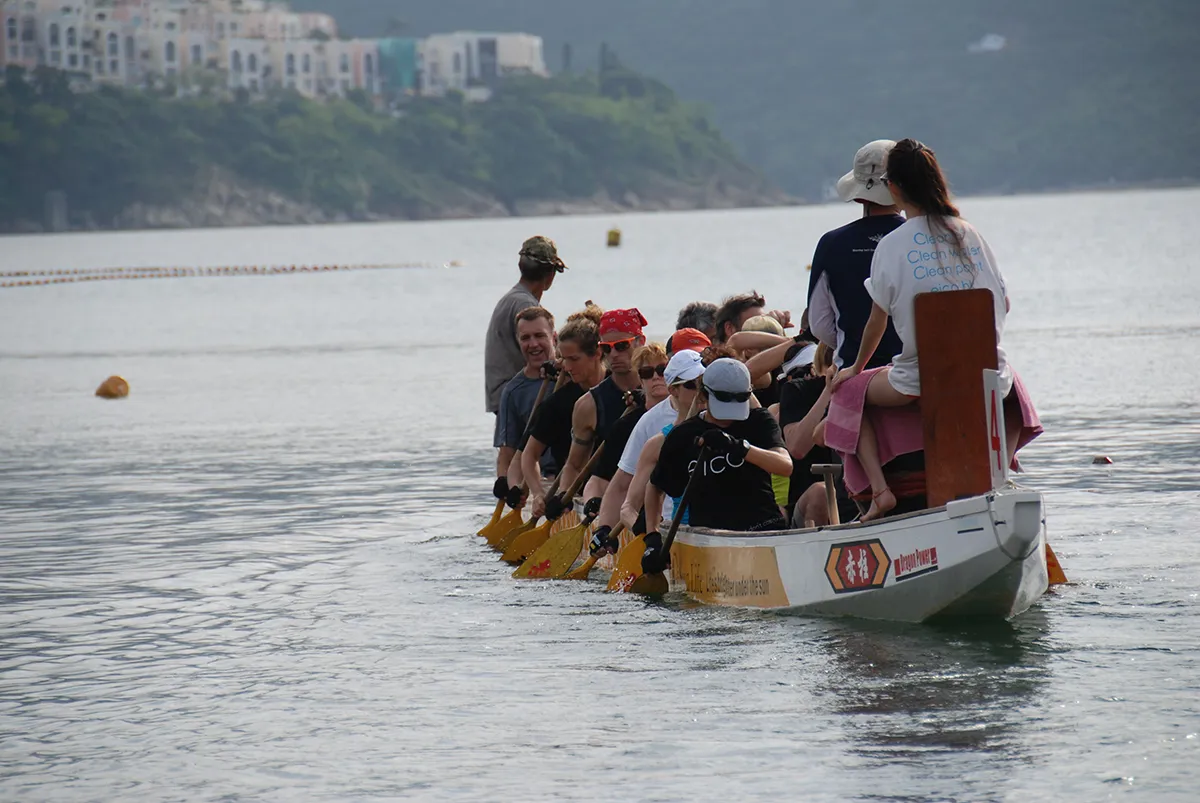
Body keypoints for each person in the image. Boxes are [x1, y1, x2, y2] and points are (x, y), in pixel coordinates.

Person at [829, 138, 1025, 521]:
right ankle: (998, 476)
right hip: (984, 375)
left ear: (895, 188)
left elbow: (877, 320)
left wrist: (854, 368)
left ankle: (881, 492)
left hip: (918, 379)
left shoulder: (891, 244)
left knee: (847, 394)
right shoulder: (972, 234)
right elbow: (1002, 303)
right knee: (1015, 391)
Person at [641, 358, 793, 570]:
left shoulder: (759, 421)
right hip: (710, 543)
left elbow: (785, 466)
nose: (729, 418)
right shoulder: (684, 435)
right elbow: (656, 487)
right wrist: (653, 537)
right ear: (703, 395)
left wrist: (739, 447)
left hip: (763, 531)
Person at [589, 338, 709, 554]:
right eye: (692, 385)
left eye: (704, 382)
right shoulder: (649, 427)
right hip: (669, 526)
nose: (701, 391)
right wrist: (605, 529)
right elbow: (621, 487)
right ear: (674, 389)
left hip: (713, 524)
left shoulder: (725, 414)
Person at [807, 140, 905, 370]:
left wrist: (849, 341)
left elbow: (819, 324)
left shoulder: (832, 243)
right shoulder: (922, 238)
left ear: (859, 196)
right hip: (918, 372)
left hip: (855, 371)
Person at [521, 305, 605, 516]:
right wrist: (538, 493)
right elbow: (529, 456)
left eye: (574, 359)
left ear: (597, 353)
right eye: (564, 359)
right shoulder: (557, 404)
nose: (567, 367)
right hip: (572, 493)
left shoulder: (622, 391)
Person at [559, 308, 648, 502]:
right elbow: (574, 466)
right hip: (609, 498)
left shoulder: (663, 390)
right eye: (607, 348)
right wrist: (563, 496)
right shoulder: (588, 405)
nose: (614, 354)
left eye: (622, 346)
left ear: (641, 342)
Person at [484, 236, 566, 414]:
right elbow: (548, 357)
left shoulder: (512, 299)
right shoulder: (525, 306)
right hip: (520, 396)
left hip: (503, 393)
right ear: (550, 274)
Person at [491, 306, 557, 506]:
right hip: (542, 479)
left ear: (554, 337)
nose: (533, 344)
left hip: (575, 476)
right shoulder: (512, 392)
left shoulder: (573, 375)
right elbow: (507, 453)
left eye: (539, 335)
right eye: (525, 338)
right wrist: (506, 484)